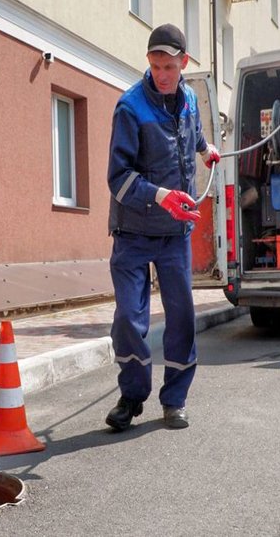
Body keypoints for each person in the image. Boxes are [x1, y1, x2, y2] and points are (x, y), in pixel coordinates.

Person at [105, 23, 220, 431]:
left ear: (183, 63)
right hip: (133, 234)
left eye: (169, 67)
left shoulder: (189, 100)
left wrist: (206, 150)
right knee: (129, 320)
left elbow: (193, 135)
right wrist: (160, 196)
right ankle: (132, 396)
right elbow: (118, 178)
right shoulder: (130, 108)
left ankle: (175, 399)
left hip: (174, 236)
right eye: (155, 67)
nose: (162, 75)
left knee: (182, 317)